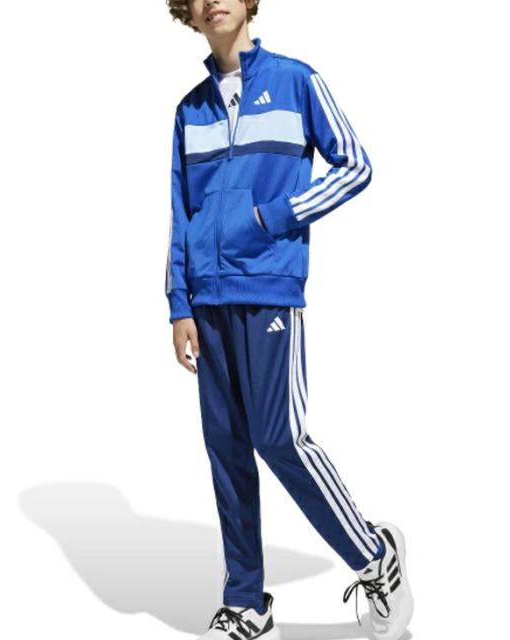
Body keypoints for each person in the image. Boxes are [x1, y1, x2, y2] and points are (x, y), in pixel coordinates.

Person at [164, 2, 414, 639]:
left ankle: (375, 557)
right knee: (226, 450)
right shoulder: (190, 110)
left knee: (281, 437)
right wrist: (179, 304)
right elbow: (180, 211)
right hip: (207, 301)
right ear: (186, 12)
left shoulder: (297, 81)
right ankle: (246, 602)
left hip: (270, 286)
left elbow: (354, 165)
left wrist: (274, 218)